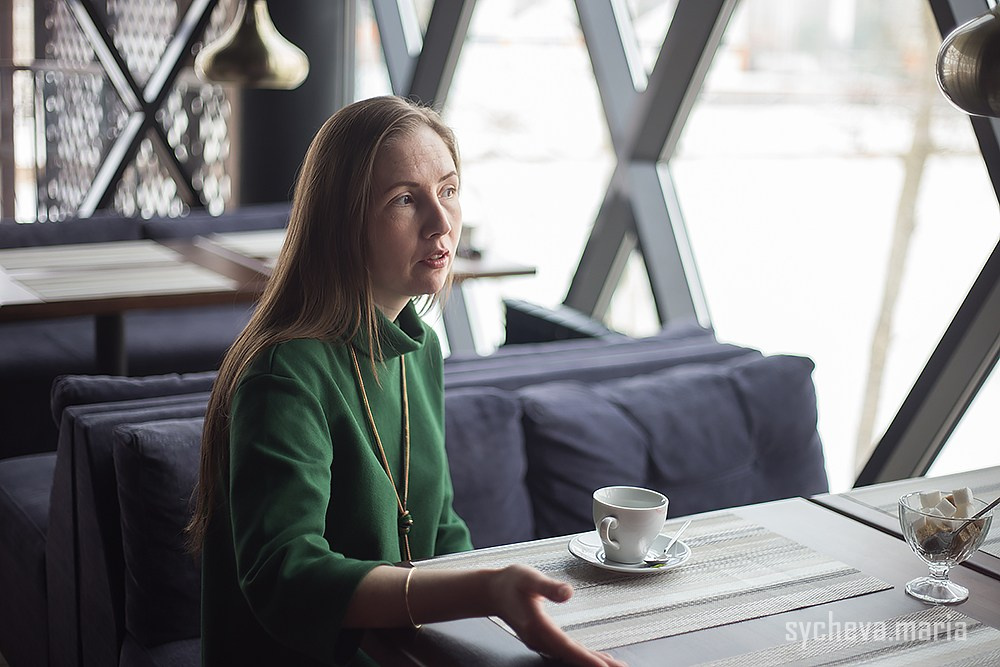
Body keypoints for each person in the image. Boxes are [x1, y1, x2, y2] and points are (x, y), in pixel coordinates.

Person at [187, 96, 625, 667]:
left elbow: (439, 531)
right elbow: (286, 579)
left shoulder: (419, 350)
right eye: (404, 200)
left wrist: (507, 620)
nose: (441, 223)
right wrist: (482, 591)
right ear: (341, 221)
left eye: (447, 190)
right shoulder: (284, 374)